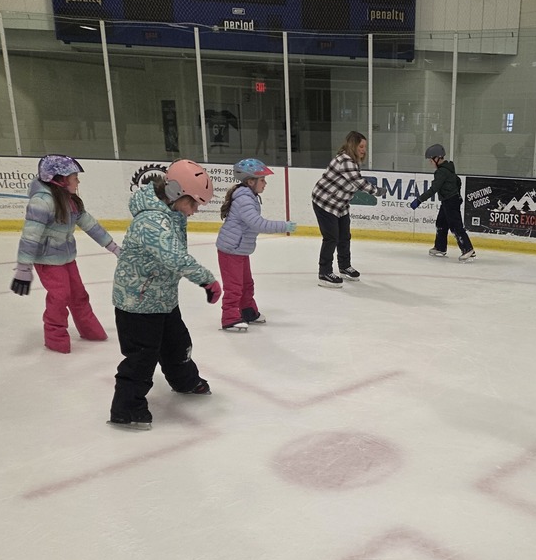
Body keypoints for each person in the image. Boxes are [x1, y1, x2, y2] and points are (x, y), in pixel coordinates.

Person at [108, 159, 221, 431]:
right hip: (137, 303)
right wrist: (207, 280)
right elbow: (175, 258)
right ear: (174, 193)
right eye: (193, 203)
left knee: (177, 344)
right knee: (142, 357)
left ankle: (184, 380)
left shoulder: (171, 214)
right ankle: (126, 408)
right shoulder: (152, 222)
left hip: (161, 298)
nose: (194, 211)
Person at [10, 155, 121, 354]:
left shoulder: (71, 201)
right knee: (60, 297)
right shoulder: (41, 203)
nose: (78, 182)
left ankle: (90, 331)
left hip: (66, 257)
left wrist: (113, 247)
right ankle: (55, 338)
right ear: (59, 179)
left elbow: (90, 225)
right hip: (47, 261)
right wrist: (23, 268)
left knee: (79, 294)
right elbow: (30, 236)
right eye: (74, 177)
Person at [216, 158, 297, 332]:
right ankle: (229, 318)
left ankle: (247, 311)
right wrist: (284, 226)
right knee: (234, 286)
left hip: (238, 249)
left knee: (246, 284)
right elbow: (257, 224)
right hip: (231, 250)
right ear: (250, 181)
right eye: (262, 180)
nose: (265, 183)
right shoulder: (244, 199)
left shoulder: (248, 196)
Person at [311, 130, 386, 288]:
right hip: (324, 202)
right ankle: (324, 272)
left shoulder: (353, 161)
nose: (364, 149)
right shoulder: (345, 160)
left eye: (365, 146)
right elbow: (358, 183)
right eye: (361, 146)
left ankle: (344, 267)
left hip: (340, 205)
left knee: (344, 236)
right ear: (353, 145)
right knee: (331, 237)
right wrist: (377, 191)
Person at [409, 143, 475, 261]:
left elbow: (433, 189)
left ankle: (467, 249)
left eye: (431, 160)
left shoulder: (441, 172)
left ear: (437, 158)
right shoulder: (448, 169)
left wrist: (419, 200)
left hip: (450, 201)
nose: (430, 162)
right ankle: (440, 247)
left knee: (455, 226)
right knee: (441, 223)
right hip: (448, 200)